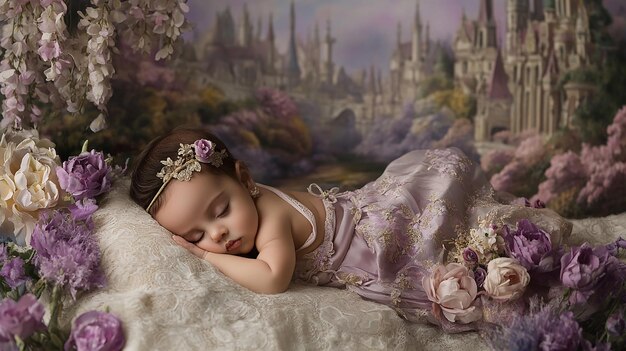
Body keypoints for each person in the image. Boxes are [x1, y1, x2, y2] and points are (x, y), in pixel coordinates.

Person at [129, 125, 572, 332]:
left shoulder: (271, 222)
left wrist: (206, 257)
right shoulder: (248, 198)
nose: (219, 235)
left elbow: (272, 278)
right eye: (195, 235)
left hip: (371, 237)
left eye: (220, 210)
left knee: (447, 245)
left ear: (246, 180)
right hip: (356, 208)